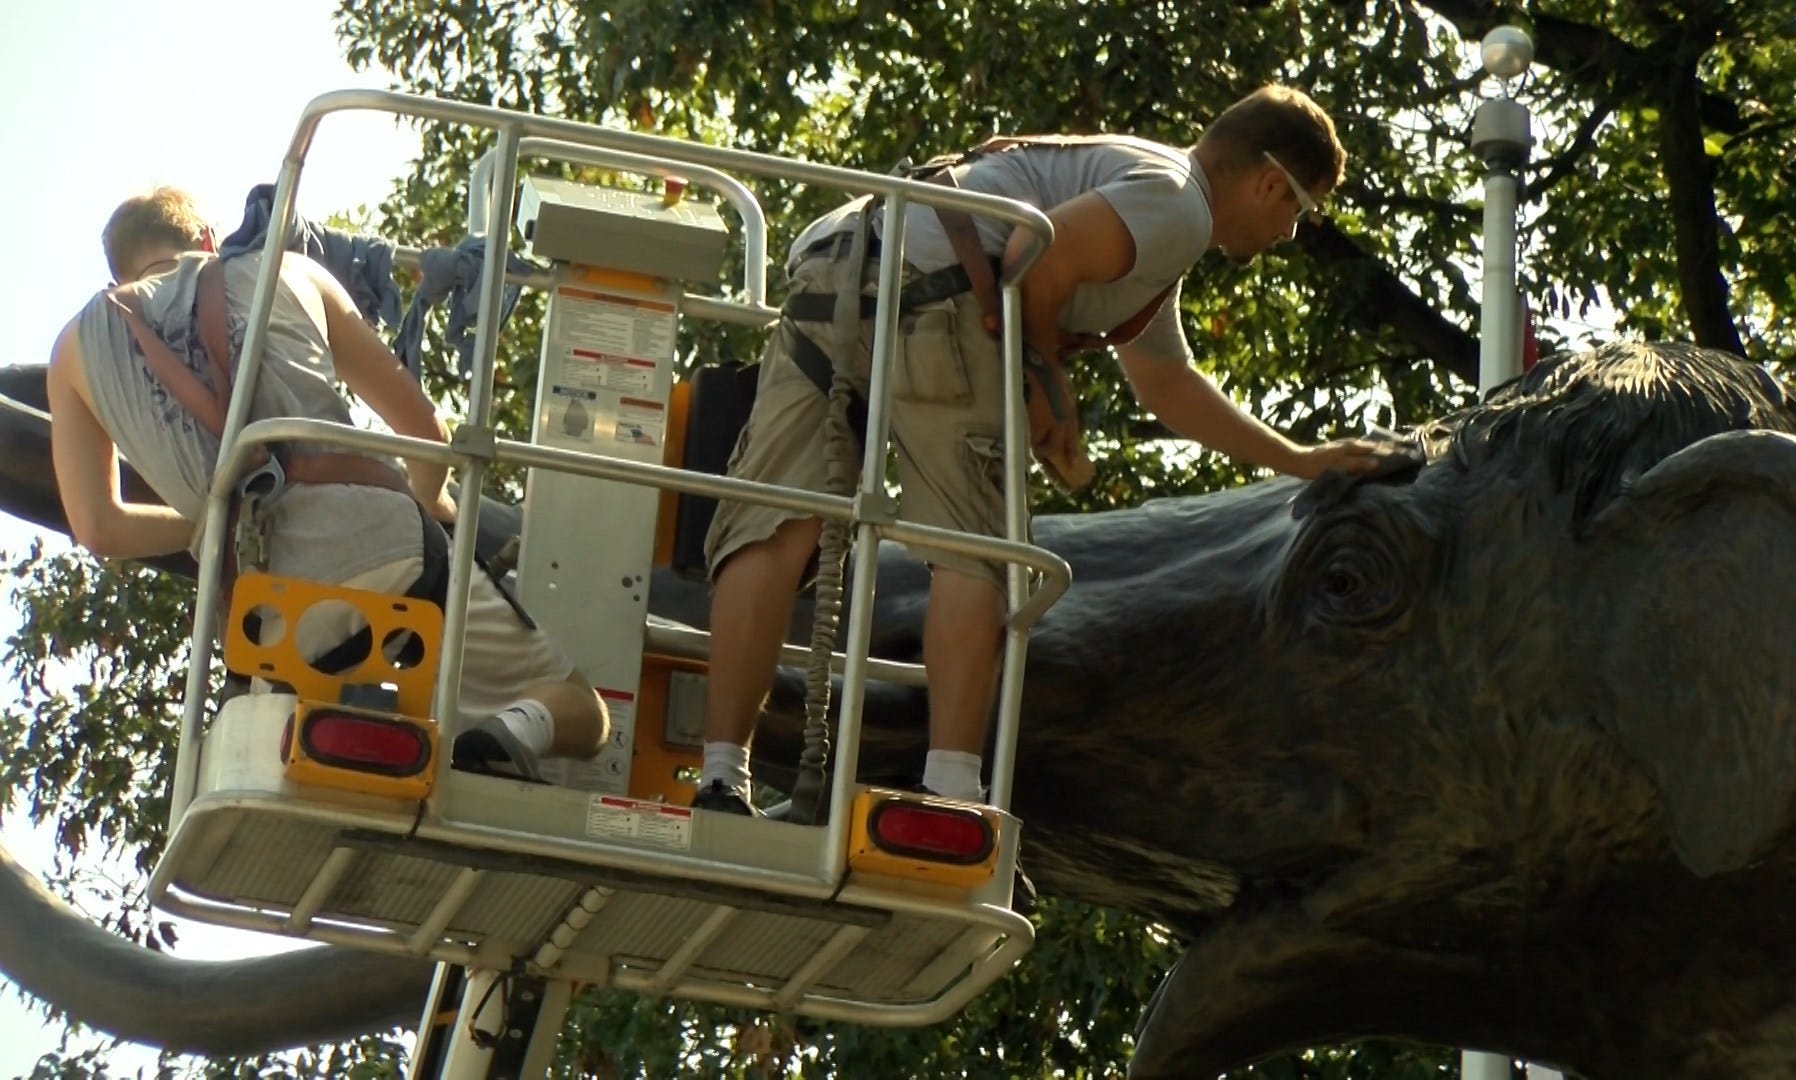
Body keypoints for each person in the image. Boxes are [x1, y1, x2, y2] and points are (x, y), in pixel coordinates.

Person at [694, 84, 1390, 816]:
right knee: (975, 550)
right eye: (1298, 212)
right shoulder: (1178, 205)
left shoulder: (1145, 194)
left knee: (780, 523)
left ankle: (719, 777)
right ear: (1271, 181)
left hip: (836, 263)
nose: (1288, 234)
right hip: (932, 291)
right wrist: (1045, 380)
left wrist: (1301, 461)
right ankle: (953, 794)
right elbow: (1035, 257)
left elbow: (1165, 382)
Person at [47, 187, 608, 780]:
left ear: (116, 273)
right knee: (584, 712)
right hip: (397, 563)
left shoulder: (76, 349)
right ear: (209, 241)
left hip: (272, 627)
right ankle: (512, 729)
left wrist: (215, 520)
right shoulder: (287, 271)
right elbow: (427, 433)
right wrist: (429, 504)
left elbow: (99, 528)